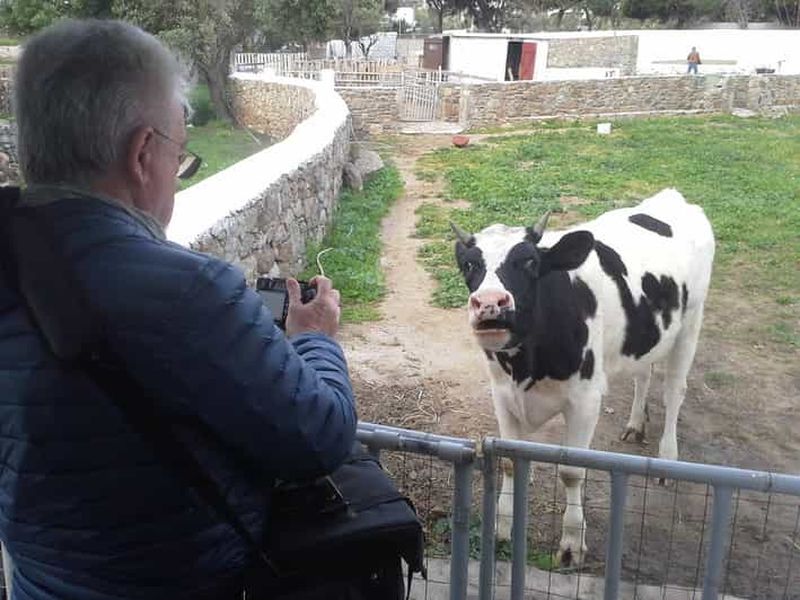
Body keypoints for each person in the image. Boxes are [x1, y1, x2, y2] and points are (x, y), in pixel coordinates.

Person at [0, 19, 357, 600]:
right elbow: (320, 436)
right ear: (143, 154)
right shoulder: (188, 293)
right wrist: (313, 337)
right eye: (180, 154)